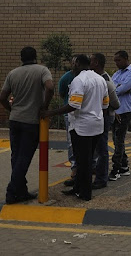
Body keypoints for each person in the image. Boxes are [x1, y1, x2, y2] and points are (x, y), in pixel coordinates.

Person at [42, 54, 108, 201]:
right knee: (86, 159)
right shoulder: (100, 79)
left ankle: (85, 193)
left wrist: (50, 112)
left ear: (78, 63)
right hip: (97, 125)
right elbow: (105, 104)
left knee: (83, 161)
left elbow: (74, 105)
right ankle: (78, 187)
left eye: (72, 63)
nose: (71, 65)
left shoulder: (79, 80)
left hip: (82, 127)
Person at [0, 46, 54, 204]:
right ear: (35, 57)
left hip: (15, 119)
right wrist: (44, 106)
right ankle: (11, 192)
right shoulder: (42, 70)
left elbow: (2, 98)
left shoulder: (13, 73)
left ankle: (21, 191)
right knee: (24, 157)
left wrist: (12, 110)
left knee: (16, 156)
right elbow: (49, 87)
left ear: (21, 58)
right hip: (31, 121)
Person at [90, 53, 120, 189]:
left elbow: (116, 103)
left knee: (101, 147)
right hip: (97, 116)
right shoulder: (94, 78)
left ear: (96, 62)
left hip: (105, 116)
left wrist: (107, 108)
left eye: (90, 60)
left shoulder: (106, 81)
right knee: (95, 148)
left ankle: (101, 178)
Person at [110, 50, 131, 180]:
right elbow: (110, 88)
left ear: (126, 59)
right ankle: (124, 166)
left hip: (124, 111)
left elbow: (121, 89)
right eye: (115, 61)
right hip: (114, 110)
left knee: (119, 140)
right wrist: (115, 88)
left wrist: (115, 88)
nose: (116, 63)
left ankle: (116, 169)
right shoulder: (117, 73)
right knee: (116, 141)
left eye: (119, 60)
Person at [58, 57, 77, 187]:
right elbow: (62, 93)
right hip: (69, 114)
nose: (76, 64)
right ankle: (74, 169)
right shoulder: (66, 78)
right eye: (73, 62)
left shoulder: (87, 77)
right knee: (71, 142)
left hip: (82, 115)